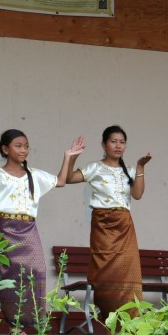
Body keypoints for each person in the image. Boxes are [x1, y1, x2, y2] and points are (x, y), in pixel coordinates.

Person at [0, 130, 84, 335]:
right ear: (5, 149)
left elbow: (60, 181)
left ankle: (37, 319)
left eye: (26, 146)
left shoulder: (34, 174)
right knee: (10, 275)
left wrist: (68, 157)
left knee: (37, 271)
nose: (23, 150)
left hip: (29, 228)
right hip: (8, 227)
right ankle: (14, 325)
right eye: (18, 145)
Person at [65, 125, 151, 320]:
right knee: (105, 275)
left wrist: (140, 168)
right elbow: (69, 178)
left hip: (124, 225)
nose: (118, 145)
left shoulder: (128, 171)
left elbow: (137, 195)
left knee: (128, 273)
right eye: (113, 141)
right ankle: (109, 320)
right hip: (103, 224)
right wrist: (73, 156)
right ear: (104, 144)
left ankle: (130, 323)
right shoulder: (94, 167)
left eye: (122, 142)